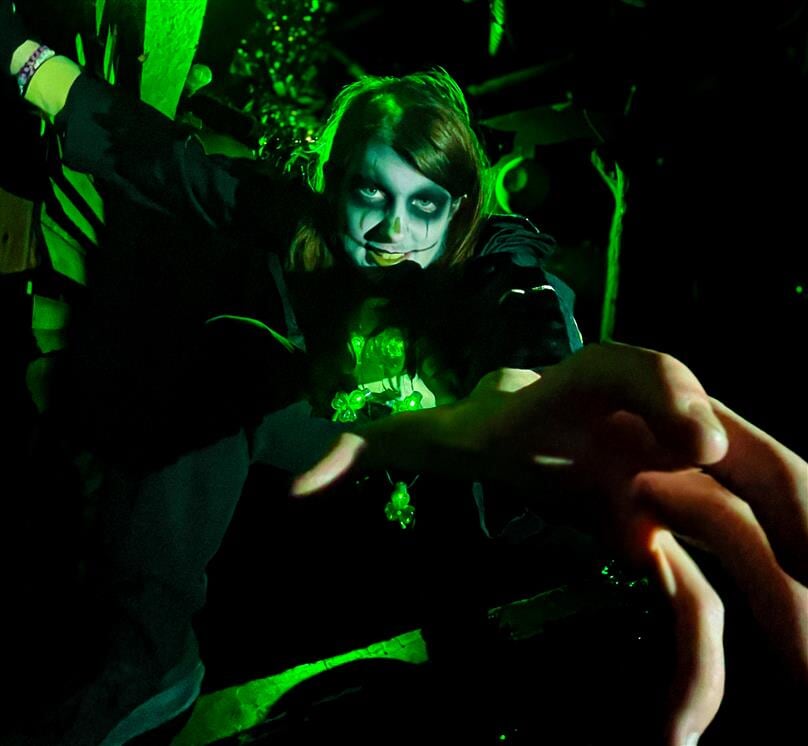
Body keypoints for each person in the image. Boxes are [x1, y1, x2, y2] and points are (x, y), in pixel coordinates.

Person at [2, 3, 806, 745]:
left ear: (458, 208)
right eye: (371, 194)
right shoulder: (303, 226)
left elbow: (524, 307)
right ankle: (143, 658)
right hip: (346, 460)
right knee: (234, 352)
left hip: (464, 490)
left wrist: (521, 391)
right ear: (335, 185)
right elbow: (157, 156)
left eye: (425, 205)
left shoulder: (492, 255)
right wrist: (21, 56)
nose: (393, 229)